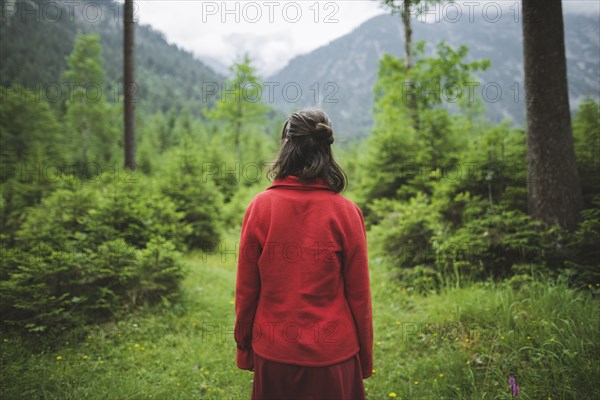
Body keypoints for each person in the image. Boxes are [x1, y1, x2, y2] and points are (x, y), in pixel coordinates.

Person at [234, 109, 373, 400]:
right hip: (334, 357)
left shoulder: (260, 207)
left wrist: (245, 349)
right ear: (326, 147)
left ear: (286, 146)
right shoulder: (347, 212)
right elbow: (359, 296)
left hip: (274, 355)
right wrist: (365, 358)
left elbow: (247, 291)